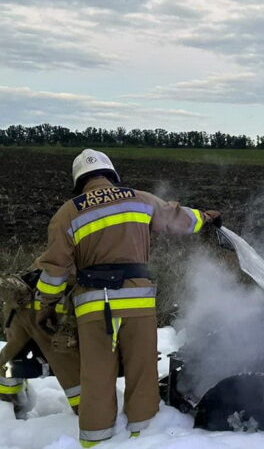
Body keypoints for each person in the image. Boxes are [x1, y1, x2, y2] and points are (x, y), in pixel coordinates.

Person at [34, 149, 222, 447]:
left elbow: (54, 271)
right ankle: (142, 437)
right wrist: (204, 218)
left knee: (96, 378)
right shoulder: (138, 198)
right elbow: (177, 218)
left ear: (79, 181)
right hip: (138, 304)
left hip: (94, 309)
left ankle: (95, 442)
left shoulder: (67, 214)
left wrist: (43, 305)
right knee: (142, 372)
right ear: (111, 175)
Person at [0, 267, 81, 417]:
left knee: (10, 358)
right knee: (68, 365)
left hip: (20, 301)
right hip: (46, 308)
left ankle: (8, 405)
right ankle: (88, 411)